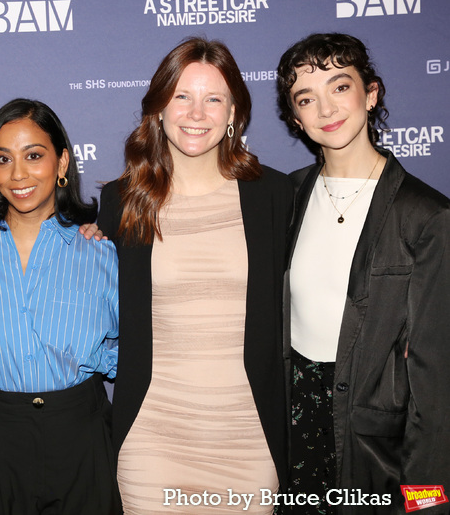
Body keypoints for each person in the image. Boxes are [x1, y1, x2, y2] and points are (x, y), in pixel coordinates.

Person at [97, 37, 292, 513]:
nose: (196, 113)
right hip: (153, 437)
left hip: (248, 436)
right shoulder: (123, 202)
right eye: (181, 96)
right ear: (159, 108)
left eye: (213, 99)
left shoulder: (276, 196)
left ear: (234, 116)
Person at [277, 33, 450, 514]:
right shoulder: (283, 199)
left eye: (340, 86)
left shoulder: (426, 216)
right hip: (289, 434)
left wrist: (427, 502)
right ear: (296, 118)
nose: (326, 108)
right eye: (306, 98)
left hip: (375, 448)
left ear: (370, 94)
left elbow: (436, 384)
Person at [0, 98, 121, 515]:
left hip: (80, 430)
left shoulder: (102, 252)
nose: (18, 174)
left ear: (62, 163)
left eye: (34, 155)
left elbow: (134, 349)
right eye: (4, 159)